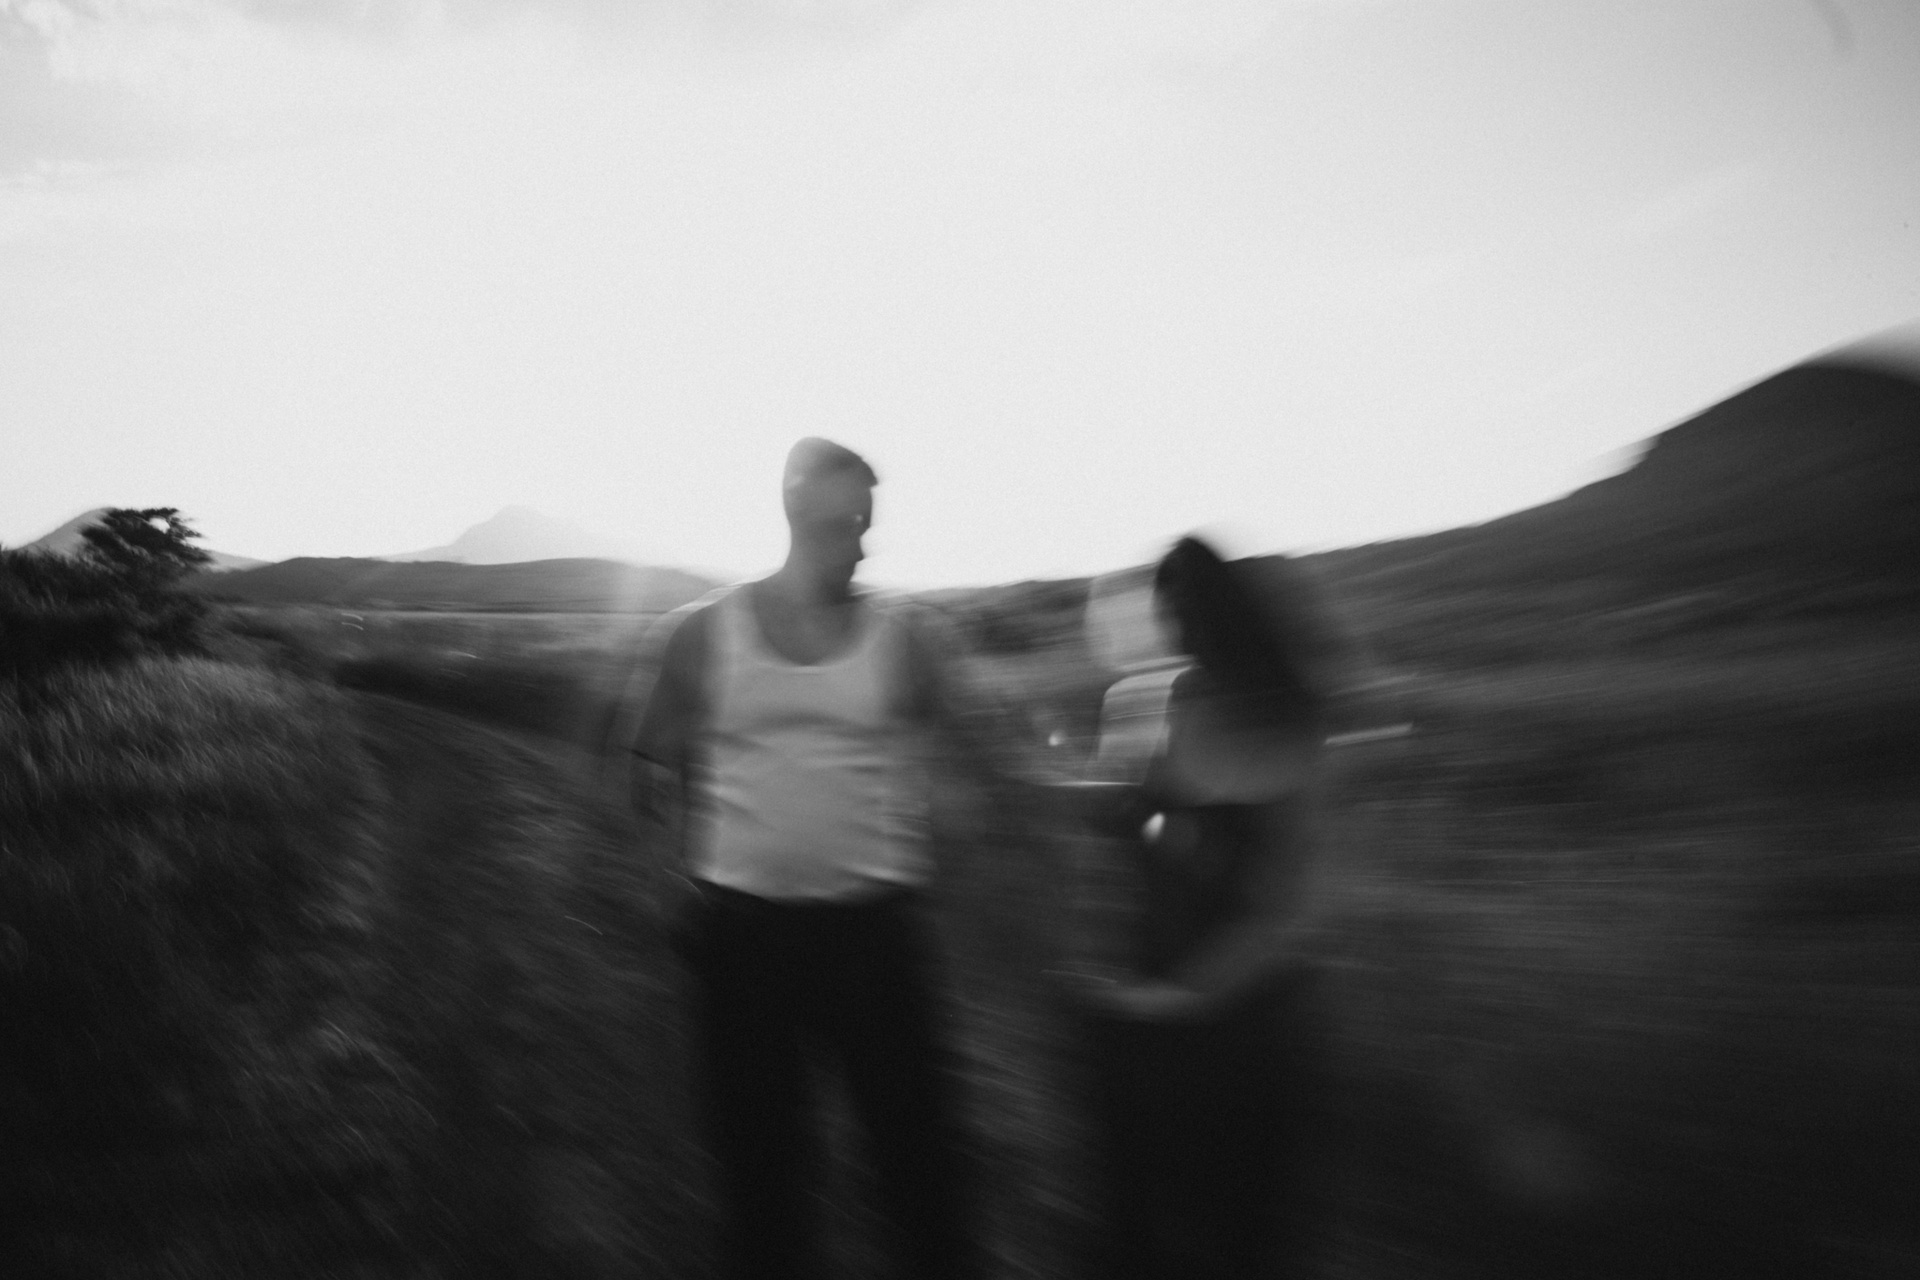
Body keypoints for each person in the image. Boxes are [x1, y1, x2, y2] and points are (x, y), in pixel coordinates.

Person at [626, 438, 995, 1280]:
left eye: (867, 521)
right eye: (845, 520)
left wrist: (955, 835)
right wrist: (663, 888)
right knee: (761, 1174)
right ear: (795, 509)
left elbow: (962, 759)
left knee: (921, 1168)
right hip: (743, 943)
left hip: (876, 938)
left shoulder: (908, 638)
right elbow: (648, 762)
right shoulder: (701, 634)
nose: (862, 540)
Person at [1055, 535, 1335, 1280]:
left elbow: (1284, 898)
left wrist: (1176, 997)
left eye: (1178, 610)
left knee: (1207, 1228)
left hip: (1220, 1013)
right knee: (1171, 1226)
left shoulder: (1271, 711)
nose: (1171, 626)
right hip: (1178, 1006)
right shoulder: (1166, 701)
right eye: (1165, 609)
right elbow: (1120, 836)